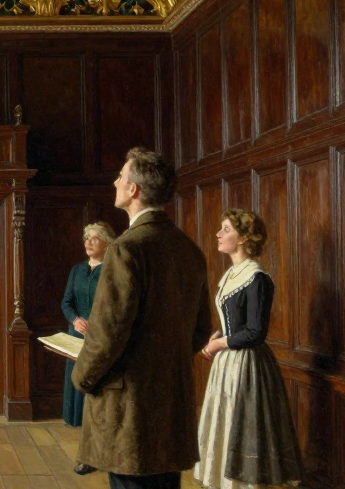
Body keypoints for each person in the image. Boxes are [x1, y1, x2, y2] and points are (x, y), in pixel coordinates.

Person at [72, 147, 212, 489]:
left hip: (128, 407)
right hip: (171, 400)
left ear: (134, 189)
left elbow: (107, 333)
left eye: (121, 176)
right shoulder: (187, 247)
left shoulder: (125, 249)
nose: (116, 181)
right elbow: (201, 330)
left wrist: (82, 378)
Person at [193, 209, 303, 489]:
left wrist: (219, 343)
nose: (218, 234)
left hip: (247, 366)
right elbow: (234, 322)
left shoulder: (256, 278)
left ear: (243, 238)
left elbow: (255, 332)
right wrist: (219, 335)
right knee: (225, 422)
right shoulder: (231, 274)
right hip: (227, 364)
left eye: (226, 229)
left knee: (244, 425)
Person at [62, 221, 116, 473]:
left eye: (95, 238)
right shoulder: (77, 270)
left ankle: (96, 454)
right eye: (86, 238)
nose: (89, 242)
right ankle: (87, 452)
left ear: (107, 242)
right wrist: (75, 319)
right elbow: (67, 302)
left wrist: (95, 323)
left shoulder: (113, 269)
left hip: (101, 337)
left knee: (98, 395)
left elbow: (115, 305)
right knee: (80, 392)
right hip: (76, 335)